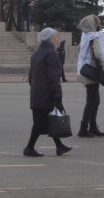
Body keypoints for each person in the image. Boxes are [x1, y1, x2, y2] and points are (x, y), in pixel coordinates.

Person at [24, 27, 72, 157]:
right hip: (47, 94)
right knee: (40, 123)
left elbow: (31, 76)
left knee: (48, 120)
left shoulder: (36, 54)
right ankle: (29, 148)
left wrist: (35, 89)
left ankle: (59, 146)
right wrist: (58, 97)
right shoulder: (51, 54)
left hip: (37, 93)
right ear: (50, 38)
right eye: (55, 36)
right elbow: (54, 78)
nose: (57, 39)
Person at [75, 14, 104, 137]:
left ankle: (91, 126)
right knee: (92, 101)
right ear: (92, 24)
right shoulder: (94, 37)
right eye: (97, 23)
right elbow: (97, 54)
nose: (98, 25)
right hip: (92, 71)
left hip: (84, 69)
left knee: (93, 100)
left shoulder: (85, 36)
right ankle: (84, 128)